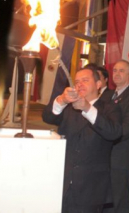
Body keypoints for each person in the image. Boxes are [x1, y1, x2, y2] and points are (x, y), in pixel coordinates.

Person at [42, 67, 122, 212]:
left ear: (98, 84)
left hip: (90, 186)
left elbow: (114, 133)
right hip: (63, 181)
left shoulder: (109, 108)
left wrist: (87, 108)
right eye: (77, 81)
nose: (80, 84)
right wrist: (61, 100)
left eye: (85, 80)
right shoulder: (69, 107)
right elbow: (48, 117)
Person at [104, 59, 129, 212]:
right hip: (101, 155)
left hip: (119, 157)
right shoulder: (107, 95)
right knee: (104, 197)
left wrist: (103, 135)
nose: (117, 74)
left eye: (122, 71)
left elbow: (127, 129)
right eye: (114, 70)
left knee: (120, 199)